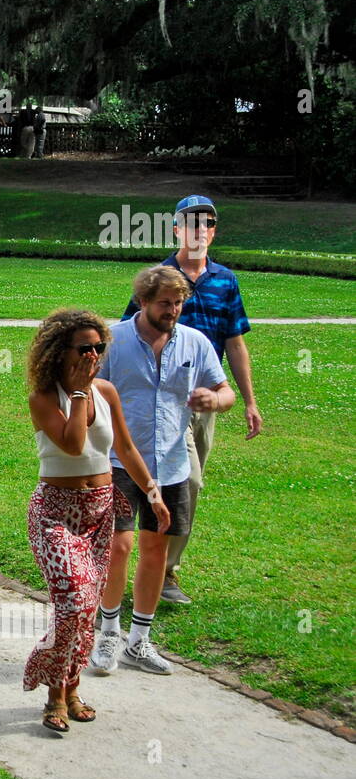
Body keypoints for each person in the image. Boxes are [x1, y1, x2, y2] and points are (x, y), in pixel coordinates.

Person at [23, 309, 169, 733]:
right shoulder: (44, 397)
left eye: (98, 347)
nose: (93, 354)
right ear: (59, 351)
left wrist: (152, 492)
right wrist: (81, 393)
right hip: (54, 512)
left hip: (100, 511)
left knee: (86, 610)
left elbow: (124, 446)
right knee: (74, 601)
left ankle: (70, 688)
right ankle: (53, 692)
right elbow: (72, 445)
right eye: (84, 347)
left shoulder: (106, 390)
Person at [91, 266, 234, 676]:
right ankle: (108, 634)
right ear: (143, 302)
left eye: (178, 303)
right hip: (119, 462)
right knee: (119, 547)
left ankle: (140, 641)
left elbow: (224, 389)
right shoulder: (113, 342)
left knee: (156, 550)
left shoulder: (195, 342)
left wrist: (217, 400)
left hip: (171, 465)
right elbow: (89, 389)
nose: (173, 310)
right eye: (164, 303)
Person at [120, 195, 261, 603]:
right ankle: (133, 562)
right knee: (154, 478)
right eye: (191, 223)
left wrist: (247, 400)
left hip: (205, 398)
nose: (199, 230)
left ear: (214, 231)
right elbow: (129, 330)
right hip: (156, 396)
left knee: (189, 486)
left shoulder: (225, 280)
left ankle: (165, 571)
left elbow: (234, 343)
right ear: (177, 229)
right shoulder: (158, 277)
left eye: (207, 224)